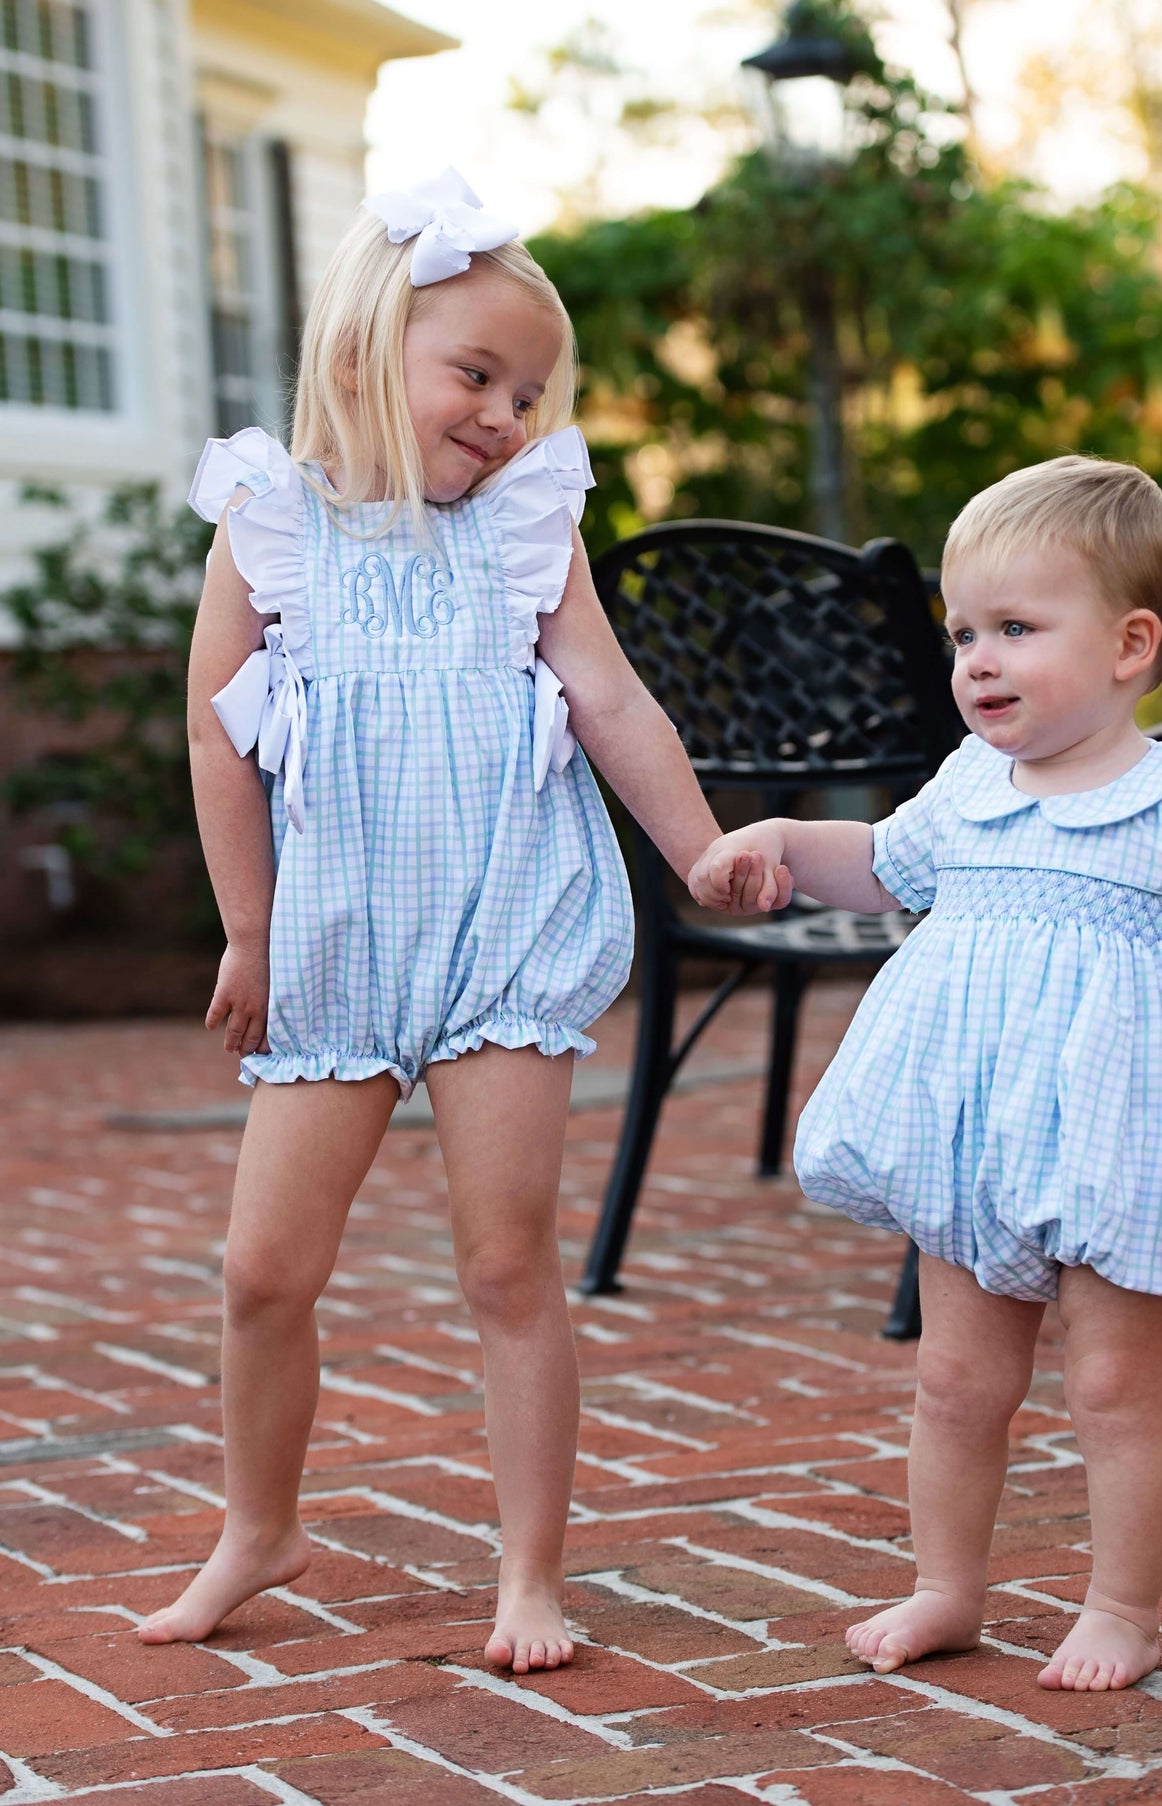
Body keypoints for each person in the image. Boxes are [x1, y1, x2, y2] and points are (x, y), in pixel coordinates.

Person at [142, 171, 719, 1671]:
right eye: (477, 374)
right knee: (263, 1270)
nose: (510, 415)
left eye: (529, 389)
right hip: (334, 944)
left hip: (501, 933)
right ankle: (257, 1525)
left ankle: (530, 1569)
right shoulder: (269, 528)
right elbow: (217, 736)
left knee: (505, 1262)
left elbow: (608, 698)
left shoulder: (525, 528)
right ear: (359, 362)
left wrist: (701, 847)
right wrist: (248, 931)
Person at [688, 456, 1162, 1692]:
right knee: (953, 1378)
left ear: (1131, 644)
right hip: (973, 1139)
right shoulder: (970, 785)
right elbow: (879, 862)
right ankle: (945, 1587)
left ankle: (1123, 1610)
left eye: (1016, 630)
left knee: (1110, 1388)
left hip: (1124, 1140)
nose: (976, 658)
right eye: (962, 631)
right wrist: (780, 842)